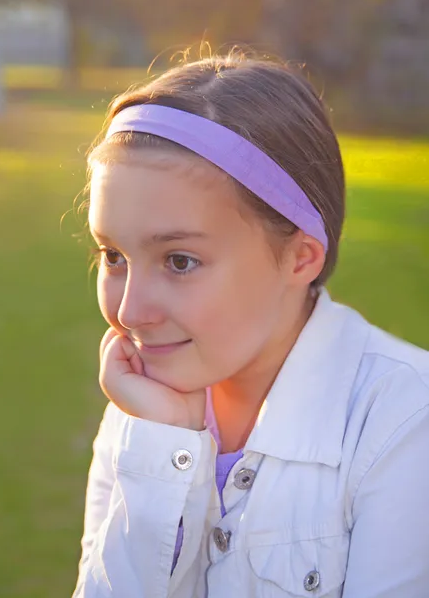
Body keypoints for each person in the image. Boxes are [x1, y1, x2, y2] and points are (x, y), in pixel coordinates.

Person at [72, 51, 429, 598]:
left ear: (300, 257)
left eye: (179, 261)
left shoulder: (403, 425)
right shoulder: (140, 414)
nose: (128, 312)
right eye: (113, 256)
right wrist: (164, 448)